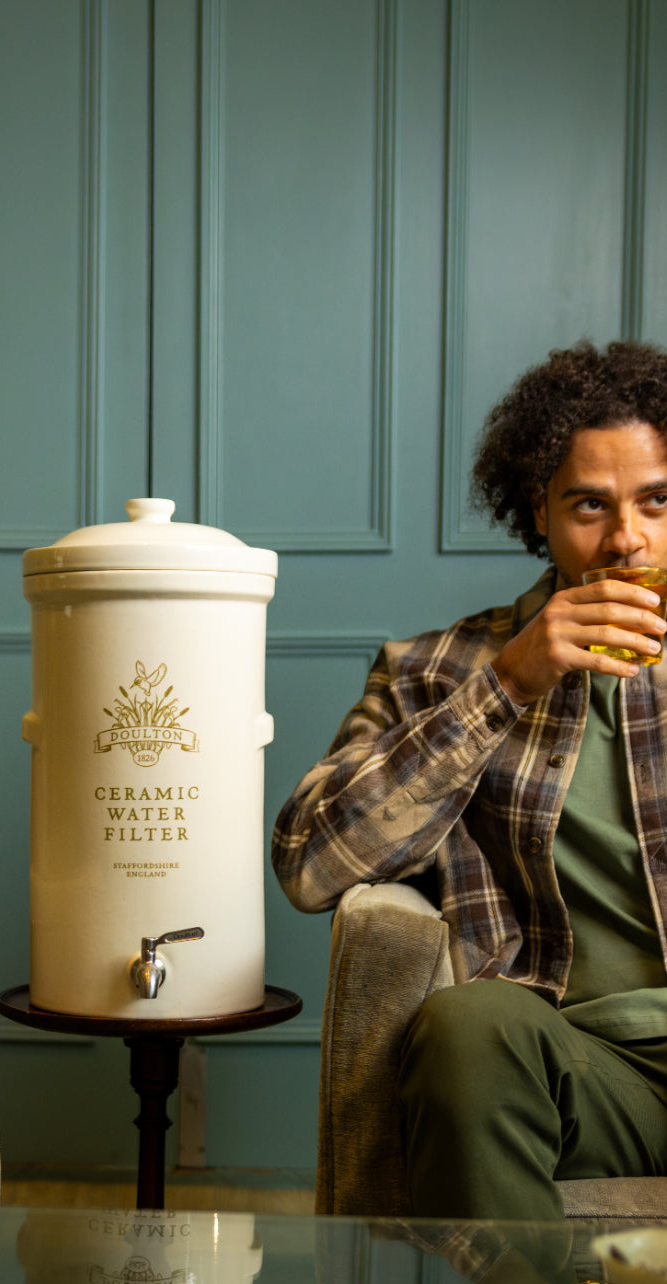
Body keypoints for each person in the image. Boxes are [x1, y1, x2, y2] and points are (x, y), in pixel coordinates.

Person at [272, 339, 667, 1226]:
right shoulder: (432, 669)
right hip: (576, 1068)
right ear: (538, 509)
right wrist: (509, 684)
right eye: (588, 506)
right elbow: (306, 861)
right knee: (465, 1026)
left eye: (657, 501)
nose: (626, 540)